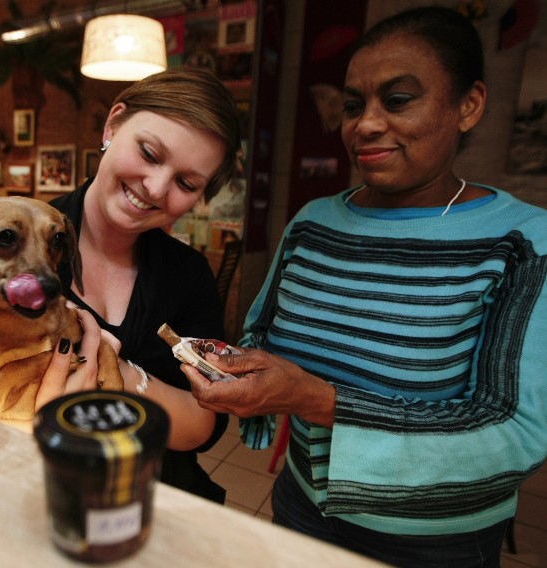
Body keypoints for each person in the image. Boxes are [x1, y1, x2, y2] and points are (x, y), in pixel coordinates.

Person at [179, 7, 547, 566]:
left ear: (468, 105)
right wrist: (225, 366)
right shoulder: (314, 223)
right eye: (354, 105)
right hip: (303, 505)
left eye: (397, 100)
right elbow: (263, 333)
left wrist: (314, 399)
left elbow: (513, 427)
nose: (366, 124)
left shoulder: (520, 241)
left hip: (432, 538)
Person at [35, 67, 243, 503]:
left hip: (155, 497)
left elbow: (201, 426)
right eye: (149, 153)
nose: (155, 188)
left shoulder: (188, 275)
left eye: (187, 183)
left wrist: (119, 372)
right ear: (113, 125)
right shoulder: (15, 240)